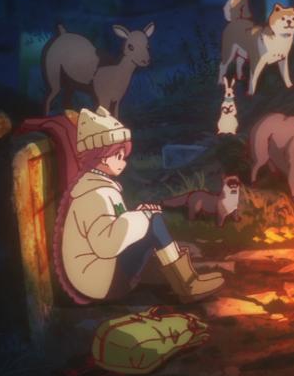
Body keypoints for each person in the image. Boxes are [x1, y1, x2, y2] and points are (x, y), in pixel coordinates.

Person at [61, 106, 224, 303]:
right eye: (119, 156)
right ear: (102, 156)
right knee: (153, 222)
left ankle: (186, 281)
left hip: (100, 273)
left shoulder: (99, 187)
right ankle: (187, 284)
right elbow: (106, 245)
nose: (123, 162)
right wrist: (141, 218)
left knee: (152, 221)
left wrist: (138, 217)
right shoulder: (94, 195)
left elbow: (114, 225)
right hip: (98, 282)